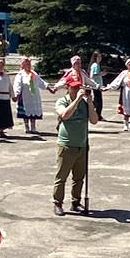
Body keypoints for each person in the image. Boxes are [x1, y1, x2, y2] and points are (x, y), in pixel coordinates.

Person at [51, 73, 96, 215]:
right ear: (68, 87)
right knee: (61, 177)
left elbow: (94, 120)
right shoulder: (62, 101)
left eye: (78, 87)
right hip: (66, 145)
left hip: (82, 145)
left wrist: (90, 103)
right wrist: (76, 100)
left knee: (79, 177)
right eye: (74, 87)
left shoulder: (84, 103)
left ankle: (76, 202)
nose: (77, 90)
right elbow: (64, 115)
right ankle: (57, 202)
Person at [14, 58, 51, 136]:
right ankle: (26, 126)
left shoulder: (34, 74)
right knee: (26, 111)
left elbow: (41, 82)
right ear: (23, 65)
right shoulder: (20, 75)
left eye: (29, 64)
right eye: (27, 64)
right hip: (25, 96)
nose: (29, 66)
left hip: (34, 96)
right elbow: (17, 84)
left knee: (33, 111)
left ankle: (33, 127)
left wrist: (49, 89)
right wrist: (17, 94)